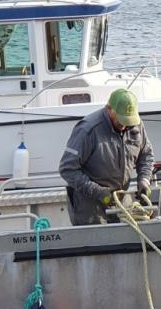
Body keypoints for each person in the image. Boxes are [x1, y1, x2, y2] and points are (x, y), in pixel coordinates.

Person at [59, 88, 154, 225]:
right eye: (121, 120)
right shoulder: (88, 130)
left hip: (122, 200)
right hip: (90, 208)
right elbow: (67, 169)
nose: (124, 126)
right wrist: (97, 191)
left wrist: (144, 180)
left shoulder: (135, 125)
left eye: (128, 121)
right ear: (109, 109)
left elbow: (146, 155)